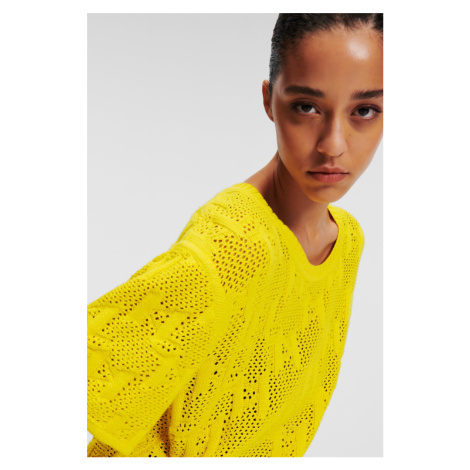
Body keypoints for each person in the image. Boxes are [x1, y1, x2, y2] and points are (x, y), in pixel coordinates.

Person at [87, 13, 383, 457]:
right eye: (306, 106)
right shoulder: (233, 246)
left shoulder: (347, 241)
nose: (333, 144)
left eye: (364, 110)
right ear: (269, 100)